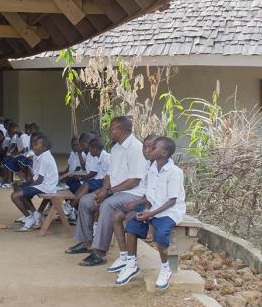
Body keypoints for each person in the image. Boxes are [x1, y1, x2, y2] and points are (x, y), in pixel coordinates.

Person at [65, 116, 147, 267]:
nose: (109, 130)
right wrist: (102, 191)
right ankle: (86, 242)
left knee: (107, 205)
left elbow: (134, 181)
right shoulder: (116, 148)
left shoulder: (136, 148)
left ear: (121, 131)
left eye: (112, 128)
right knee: (86, 201)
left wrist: (108, 193)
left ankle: (99, 252)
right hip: (115, 191)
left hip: (134, 193)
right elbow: (109, 174)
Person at [114, 137, 185, 290]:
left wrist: (151, 213)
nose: (149, 150)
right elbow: (150, 193)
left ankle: (165, 268)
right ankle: (131, 263)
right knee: (132, 223)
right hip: (153, 208)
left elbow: (172, 200)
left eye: (154, 148)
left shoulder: (174, 172)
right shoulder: (152, 169)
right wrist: (144, 208)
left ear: (164, 153)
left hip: (169, 211)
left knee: (161, 235)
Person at [106, 134, 158, 273]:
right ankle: (124, 257)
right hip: (143, 200)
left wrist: (137, 203)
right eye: (144, 147)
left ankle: (132, 263)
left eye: (151, 147)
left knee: (131, 219)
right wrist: (137, 201)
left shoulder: (161, 168)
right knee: (116, 216)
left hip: (156, 206)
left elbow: (157, 195)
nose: (146, 150)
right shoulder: (147, 164)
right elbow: (145, 190)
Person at [10, 133, 58, 232]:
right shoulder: (38, 155)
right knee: (19, 188)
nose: (33, 145)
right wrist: (26, 183)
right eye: (33, 143)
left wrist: (26, 186)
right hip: (42, 183)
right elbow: (35, 176)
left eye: (36, 144)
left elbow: (40, 180)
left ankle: (29, 218)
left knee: (15, 196)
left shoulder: (45, 157)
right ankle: (35, 215)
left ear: (43, 148)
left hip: (46, 186)